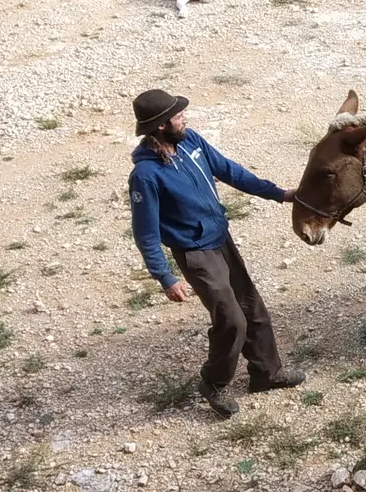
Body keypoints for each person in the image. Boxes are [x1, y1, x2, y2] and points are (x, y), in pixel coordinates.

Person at [128, 89, 304, 418]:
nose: (185, 118)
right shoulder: (145, 176)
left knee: (252, 306)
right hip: (195, 252)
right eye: (179, 115)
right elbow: (146, 232)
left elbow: (230, 171)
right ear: (163, 125)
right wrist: (165, 277)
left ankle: (267, 373)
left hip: (221, 238)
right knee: (231, 320)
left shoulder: (192, 141)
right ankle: (214, 382)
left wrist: (278, 194)